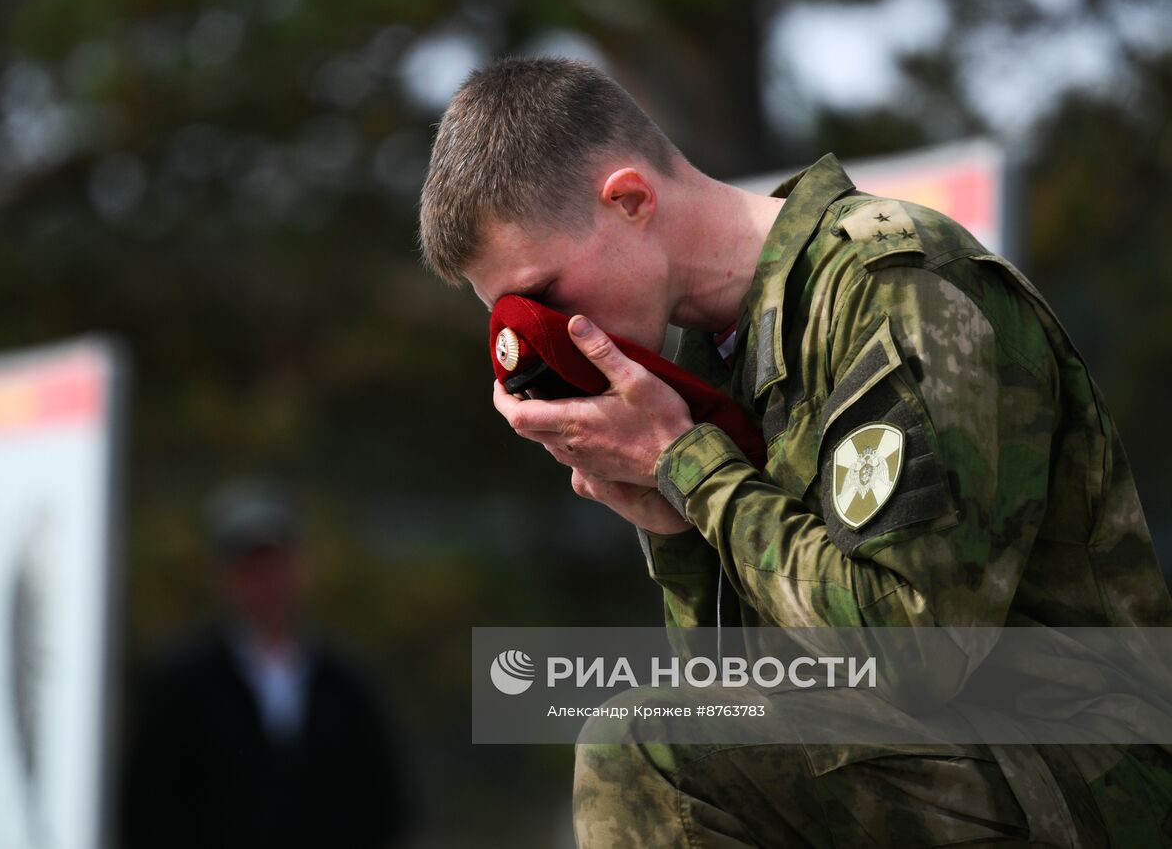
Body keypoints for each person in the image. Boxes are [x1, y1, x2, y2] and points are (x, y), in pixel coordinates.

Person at [418, 57, 1172, 846]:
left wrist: (689, 464)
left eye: (543, 297)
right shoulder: (718, 355)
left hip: (1076, 766)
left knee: (636, 744)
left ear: (631, 199)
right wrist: (672, 521)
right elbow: (754, 692)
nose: (537, 340)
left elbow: (914, 655)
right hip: (946, 760)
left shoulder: (895, 282)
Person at [121, 481, 410, 849]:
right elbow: (148, 807)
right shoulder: (182, 684)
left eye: (274, 566)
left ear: (299, 568)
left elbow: (385, 804)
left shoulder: (345, 681)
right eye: (250, 569)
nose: (266, 584)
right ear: (225, 577)